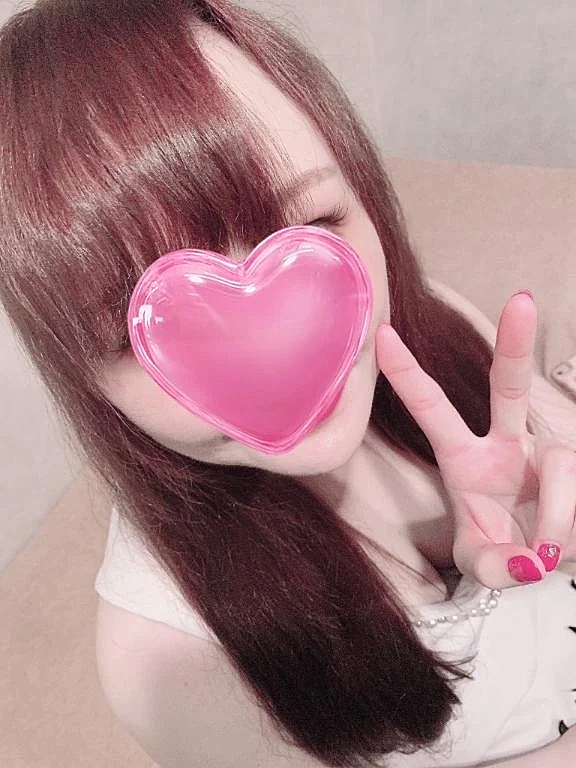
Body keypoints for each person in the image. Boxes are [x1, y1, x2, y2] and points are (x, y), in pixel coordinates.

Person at [1, 0, 575, 766]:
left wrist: (556, 536)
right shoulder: (164, 663)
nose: (278, 349)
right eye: (144, 327)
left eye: (313, 224)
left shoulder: (433, 323)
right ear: (79, 370)